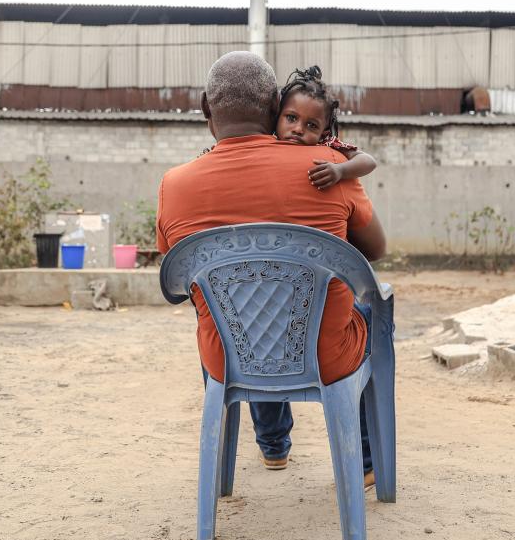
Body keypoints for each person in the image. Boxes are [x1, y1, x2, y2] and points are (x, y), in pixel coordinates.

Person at [156, 51, 386, 486]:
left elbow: (179, 282)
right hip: (327, 356)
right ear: (273, 109)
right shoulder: (328, 168)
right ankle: (367, 461)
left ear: (207, 108)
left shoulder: (175, 184)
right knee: (363, 310)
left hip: (230, 358)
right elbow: (375, 250)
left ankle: (272, 448)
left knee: (242, 317)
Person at [275, 65, 377, 190]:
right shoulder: (266, 140)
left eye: (311, 125)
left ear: (323, 133)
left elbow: (369, 161)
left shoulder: (326, 144)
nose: (298, 129)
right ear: (277, 116)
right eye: (291, 118)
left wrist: (340, 170)